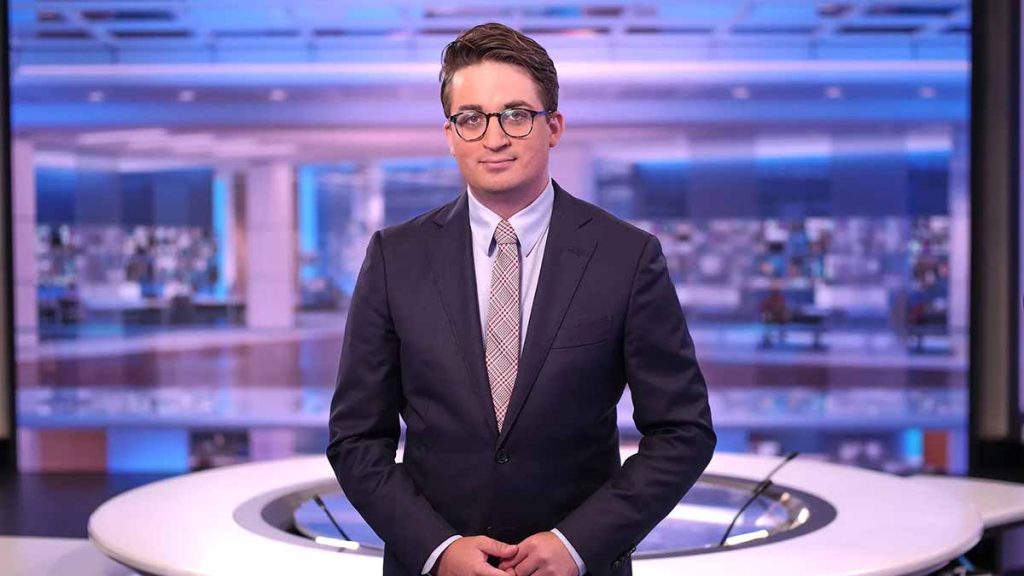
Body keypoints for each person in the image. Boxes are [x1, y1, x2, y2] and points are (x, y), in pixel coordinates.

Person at [327, 22, 716, 576]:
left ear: (553, 126)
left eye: (515, 115)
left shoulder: (627, 256)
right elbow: (356, 438)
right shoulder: (395, 257)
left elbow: (683, 431)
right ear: (450, 134)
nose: (494, 138)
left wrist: (577, 544)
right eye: (471, 118)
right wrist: (437, 550)